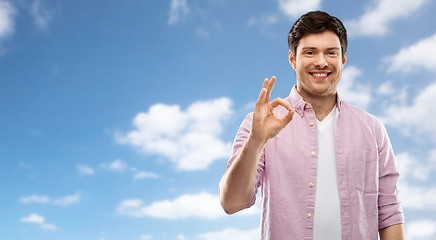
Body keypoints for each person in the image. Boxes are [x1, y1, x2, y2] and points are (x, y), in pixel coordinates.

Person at [219, 11, 404, 239]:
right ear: (292, 59)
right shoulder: (259, 124)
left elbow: (390, 213)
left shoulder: (372, 129)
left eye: (331, 52)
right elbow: (231, 203)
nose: (321, 62)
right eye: (310, 52)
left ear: (343, 59)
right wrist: (256, 141)